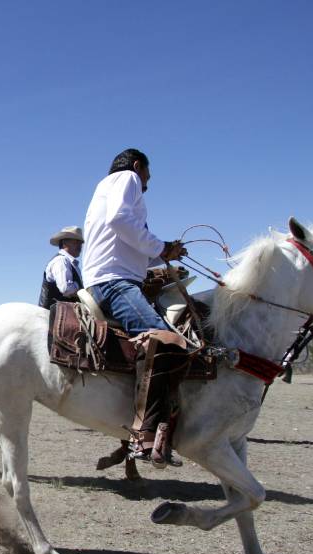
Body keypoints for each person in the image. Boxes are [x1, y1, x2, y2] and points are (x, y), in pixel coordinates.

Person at [81, 148, 188, 468]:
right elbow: (120, 220)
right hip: (114, 282)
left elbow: (126, 238)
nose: (147, 184)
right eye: (148, 177)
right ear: (138, 166)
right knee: (167, 342)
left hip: (111, 276)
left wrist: (163, 255)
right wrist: (162, 247)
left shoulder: (106, 189)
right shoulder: (125, 178)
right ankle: (144, 435)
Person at [38, 226, 84, 309]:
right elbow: (66, 289)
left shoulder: (70, 263)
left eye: (80, 242)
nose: (80, 245)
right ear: (65, 242)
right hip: (52, 314)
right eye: (76, 242)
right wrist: (84, 290)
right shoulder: (61, 260)